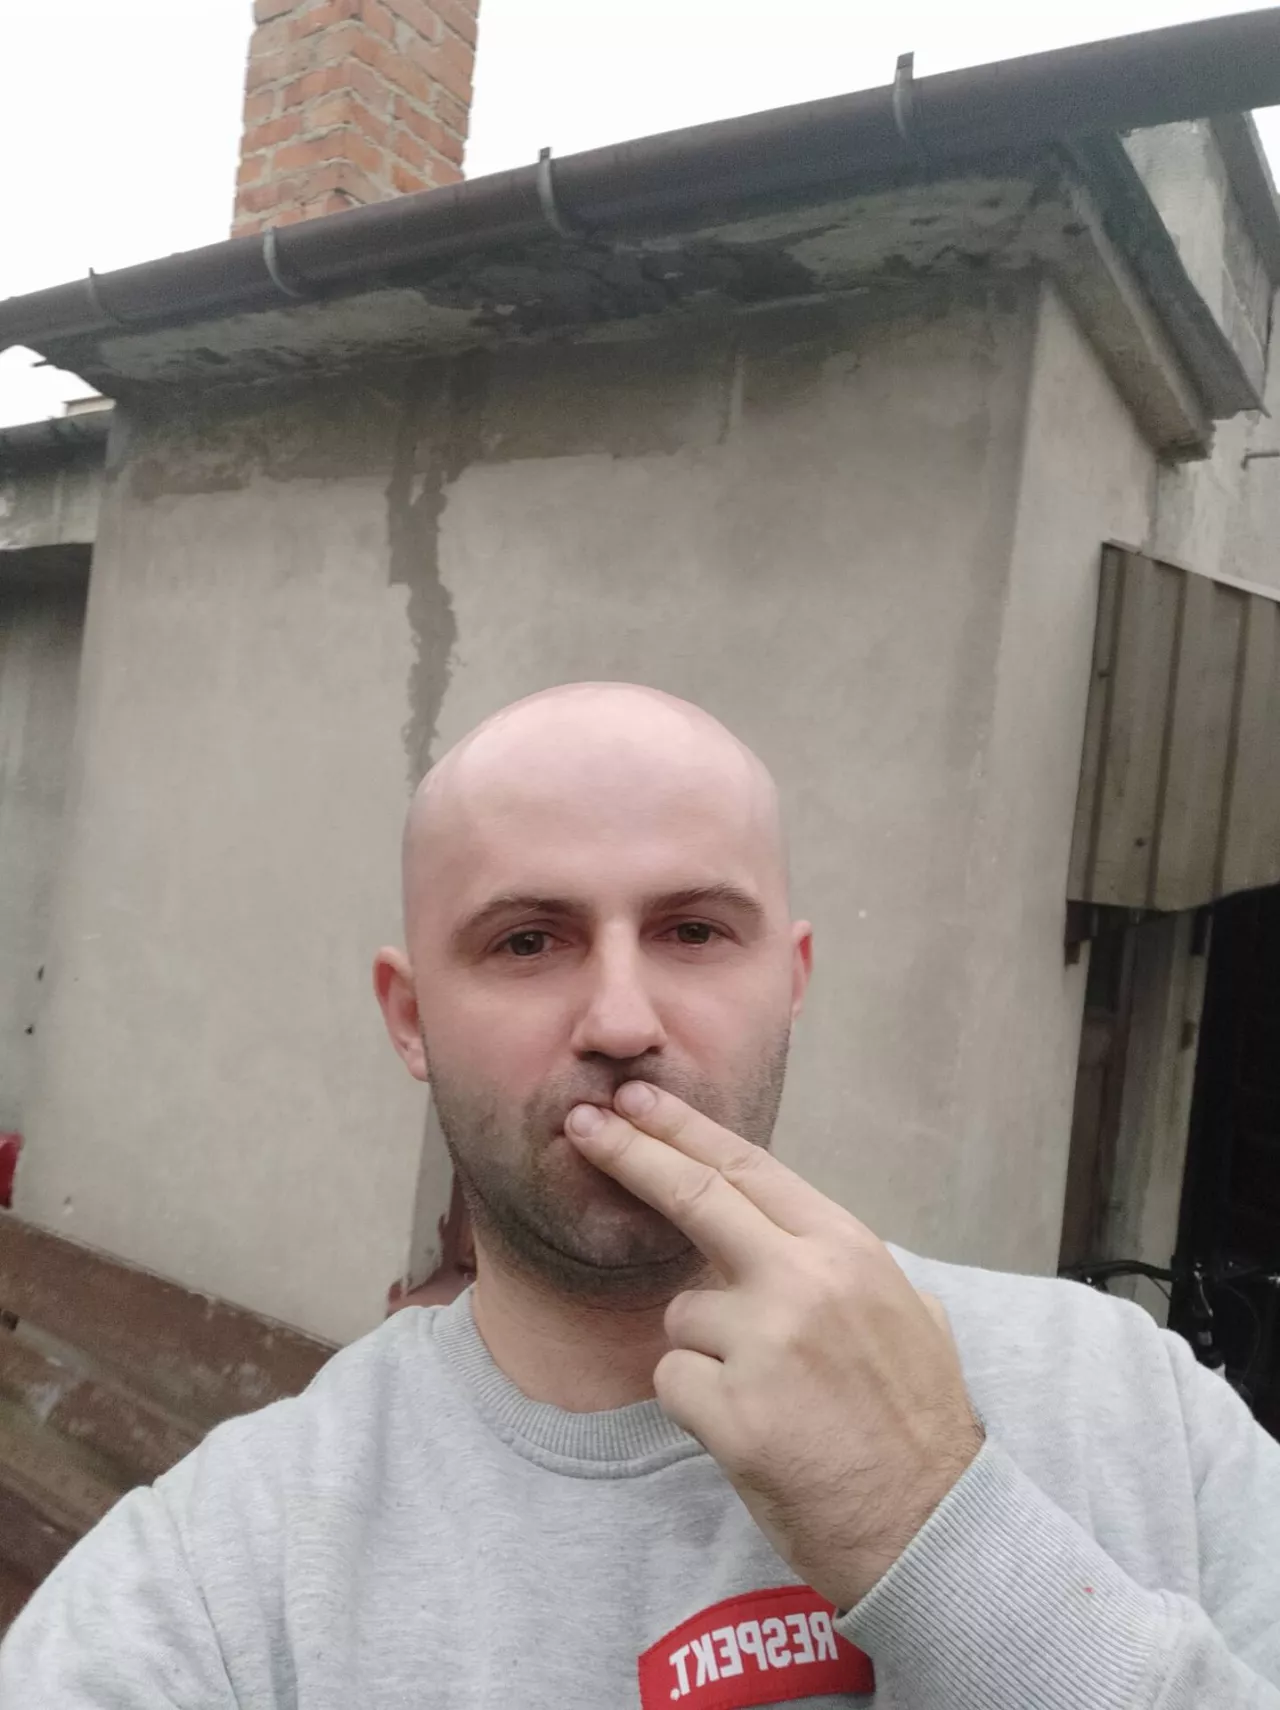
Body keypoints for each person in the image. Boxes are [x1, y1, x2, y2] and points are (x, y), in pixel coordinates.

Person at [2, 681, 1278, 1710]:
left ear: (790, 981)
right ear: (410, 1018)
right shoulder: (218, 1584)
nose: (620, 1020)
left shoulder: (1133, 1408)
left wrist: (939, 1534)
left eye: (692, 931)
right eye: (526, 941)